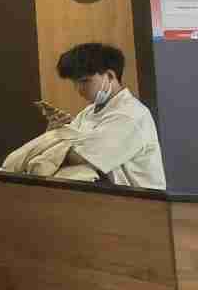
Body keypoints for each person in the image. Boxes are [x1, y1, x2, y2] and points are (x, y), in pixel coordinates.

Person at [45, 42, 165, 189]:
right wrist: (54, 131)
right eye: (75, 82)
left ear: (110, 75)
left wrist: (51, 143)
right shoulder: (88, 112)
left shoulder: (129, 115)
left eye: (84, 81)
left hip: (135, 200)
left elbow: (80, 158)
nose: (79, 89)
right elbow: (61, 150)